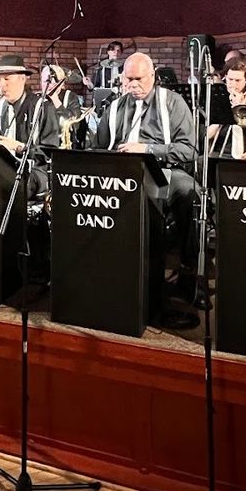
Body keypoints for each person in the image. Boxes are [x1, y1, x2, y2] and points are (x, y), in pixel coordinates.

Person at [93, 51, 199, 328]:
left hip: (163, 168)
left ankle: (189, 271)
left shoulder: (173, 103)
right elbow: (97, 147)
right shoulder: (115, 107)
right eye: (128, 79)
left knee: (189, 192)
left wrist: (148, 149)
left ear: (153, 76)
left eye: (139, 79)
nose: (133, 85)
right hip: (122, 171)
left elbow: (189, 151)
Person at [0, 54, 59, 198]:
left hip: (37, 171)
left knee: (12, 186)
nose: (2, 85)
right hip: (5, 168)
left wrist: (20, 147)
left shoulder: (43, 106)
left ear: (22, 78)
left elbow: (50, 153)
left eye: (7, 79)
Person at [207, 57, 246, 158]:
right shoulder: (217, 98)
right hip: (218, 153)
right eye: (230, 79)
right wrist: (226, 112)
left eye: (238, 80)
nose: (233, 84)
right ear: (225, 77)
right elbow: (206, 136)